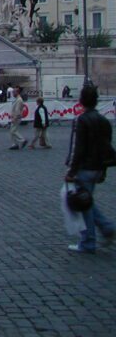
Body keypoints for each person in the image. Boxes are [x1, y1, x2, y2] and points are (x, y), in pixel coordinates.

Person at [65, 85, 114, 253]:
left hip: (85, 167)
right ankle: (107, 228)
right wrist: (104, 170)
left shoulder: (81, 120)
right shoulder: (104, 121)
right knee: (87, 201)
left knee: (83, 204)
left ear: (81, 101)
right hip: (97, 168)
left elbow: (77, 149)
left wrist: (71, 171)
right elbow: (106, 149)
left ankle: (88, 242)